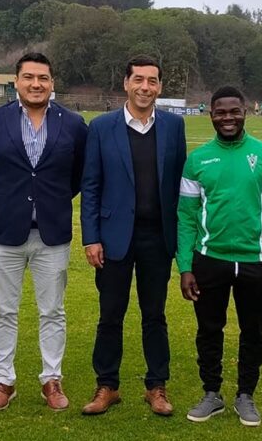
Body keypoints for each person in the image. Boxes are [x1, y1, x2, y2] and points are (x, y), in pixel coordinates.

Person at [0, 53, 88, 412]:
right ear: (16, 81)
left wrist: (49, 199)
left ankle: (51, 378)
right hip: (5, 232)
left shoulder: (73, 124)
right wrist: (12, 198)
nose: (36, 84)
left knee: (53, 310)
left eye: (43, 78)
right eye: (29, 77)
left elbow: (79, 175)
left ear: (53, 83)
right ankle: (3, 380)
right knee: (3, 310)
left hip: (52, 234)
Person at [178, 87, 262, 427]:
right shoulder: (197, 160)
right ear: (210, 114)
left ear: (246, 112)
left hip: (255, 262)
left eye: (234, 111)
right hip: (209, 259)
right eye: (220, 112)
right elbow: (185, 217)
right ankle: (211, 393)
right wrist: (184, 266)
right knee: (209, 329)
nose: (227, 118)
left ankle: (245, 394)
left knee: (252, 330)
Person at [80, 55, 187, 416]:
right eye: (138, 79)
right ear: (125, 83)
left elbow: (177, 186)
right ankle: (107, 386)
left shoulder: (173, 126)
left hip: (157, 237)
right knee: (110, 314)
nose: (145, 87)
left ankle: (157, 386)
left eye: (152, 81)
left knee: (154, 314)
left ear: (160, 87)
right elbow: (91, 185)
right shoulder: (102, 126)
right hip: (112, 238)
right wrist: (91, 237)